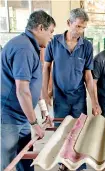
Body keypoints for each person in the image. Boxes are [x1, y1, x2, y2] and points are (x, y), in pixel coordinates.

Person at [42, 8, 101, 170]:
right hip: (60, 97)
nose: (80, 31)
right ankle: (63, 163)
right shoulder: (54, 42)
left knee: (79, 132)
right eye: (78, 26)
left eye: (83, 28)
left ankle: (78, 164)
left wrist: (94, 102)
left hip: (78, 98)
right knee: (61, 132)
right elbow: (46, 67)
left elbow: (88, 76)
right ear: (69, 23)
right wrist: (45, 93)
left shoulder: (86, 46)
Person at [1, 10, 55, 171]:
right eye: (50, 32)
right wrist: (34, 123)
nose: (51, 36)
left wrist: (44, 110)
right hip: (9, 116)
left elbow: (33, 85)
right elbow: (22, 90)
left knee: (25, 156)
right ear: (40, 28)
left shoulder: (31, 46)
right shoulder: (23, 48)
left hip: (22, 114)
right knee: (10, 160)